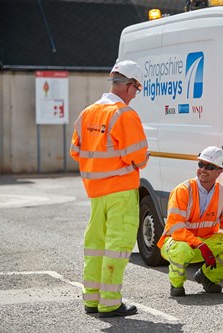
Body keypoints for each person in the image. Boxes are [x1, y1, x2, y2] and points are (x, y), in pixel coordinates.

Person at [70, 60, 149, 317]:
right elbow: (138, 157)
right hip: (121, 191)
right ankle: (110, 303)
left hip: (95, 192)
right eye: (136, 88)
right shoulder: (124, 114)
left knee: (96, 245)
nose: (136, 93)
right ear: (127, 86)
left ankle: (92, 300)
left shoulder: (87, 113)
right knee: (117, 246)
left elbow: (76, 151)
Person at [157, 146, 223, 297]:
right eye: (201, 164)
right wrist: (199, 245)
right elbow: (176, 228)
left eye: (210, 167)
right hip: (176, 242)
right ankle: (176, 284)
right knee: (182, 250)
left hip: (204, 243)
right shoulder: (182, 190)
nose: (203, 170)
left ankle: (208, 277)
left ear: (219, 171)